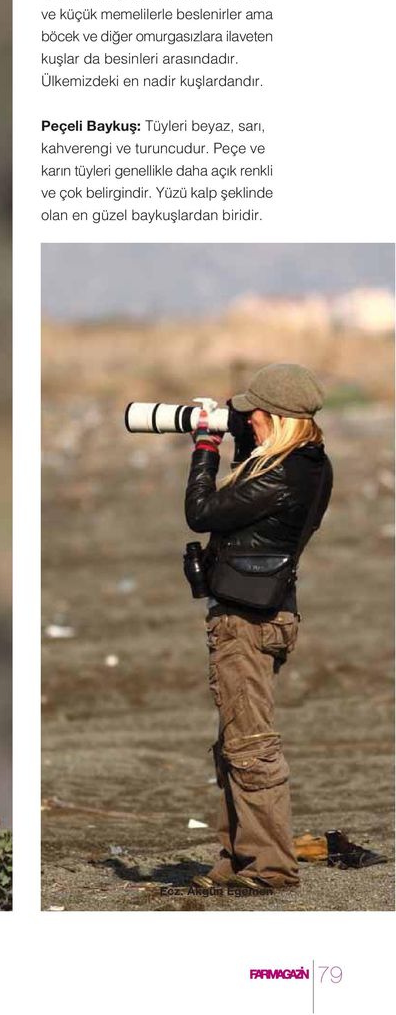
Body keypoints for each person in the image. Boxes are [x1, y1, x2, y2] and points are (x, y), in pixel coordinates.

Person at [184, 363, 333, 892]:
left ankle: (271, 867)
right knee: (235, 740)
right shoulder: (310, 465)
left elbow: (201, 512)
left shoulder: (279, 476)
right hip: (270, 611)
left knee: (250, 746)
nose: (244, 421)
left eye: (252, 414)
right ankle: (238, 857)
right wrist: (241, 426)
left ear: (273, 418)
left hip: (246, 620)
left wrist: (205, 447)